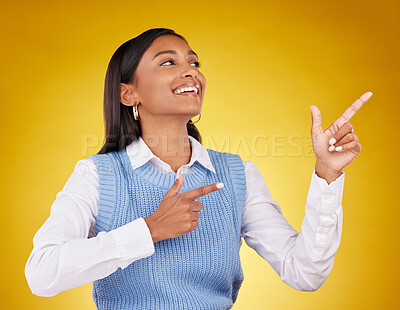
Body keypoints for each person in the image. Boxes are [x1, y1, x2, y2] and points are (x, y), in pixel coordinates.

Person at [25, 28, 372, 309]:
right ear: (128, 94)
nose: (191, 70)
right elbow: (41, 274)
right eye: (168, 63)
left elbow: (304, 273)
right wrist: (150, 230)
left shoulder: (237, 175)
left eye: (193, 62)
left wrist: (327, 174)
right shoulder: (97, 176)